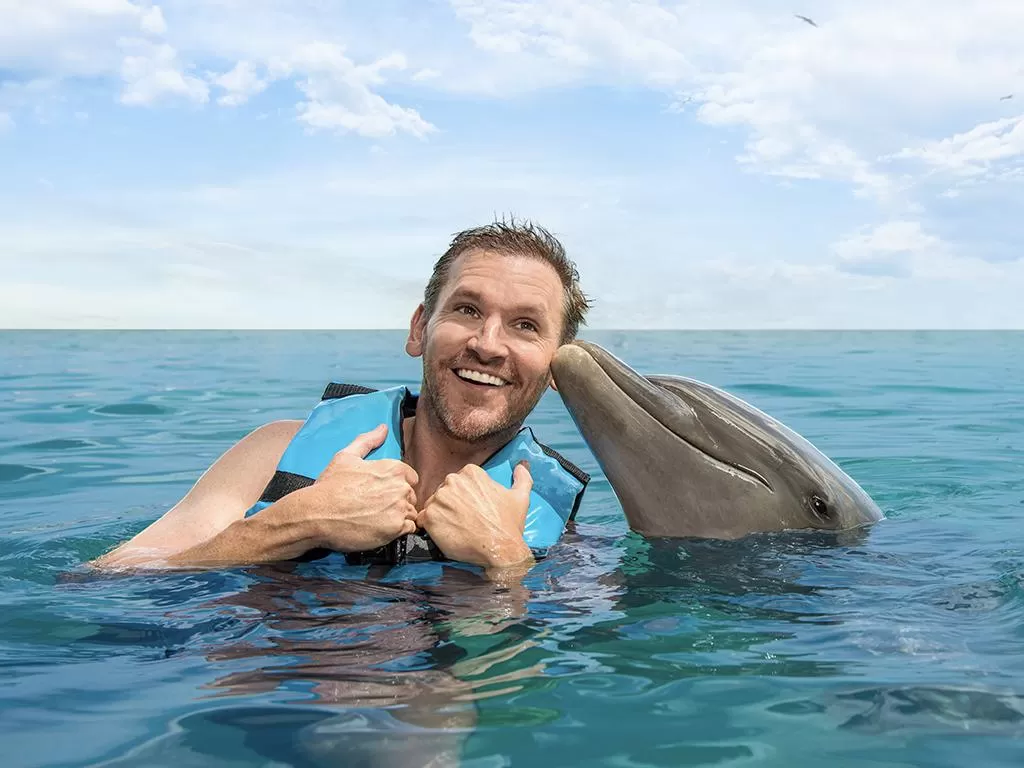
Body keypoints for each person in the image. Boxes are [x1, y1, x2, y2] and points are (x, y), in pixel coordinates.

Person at [93, 219, 591, 574]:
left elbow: (529, 678)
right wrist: (296, 523)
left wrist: (504, 555)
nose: (487, 344)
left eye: (526, 325)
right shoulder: (276, 452)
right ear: (420, 328)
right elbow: (104, 582)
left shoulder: (557, 534)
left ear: (559, 368)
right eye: (466, 310)